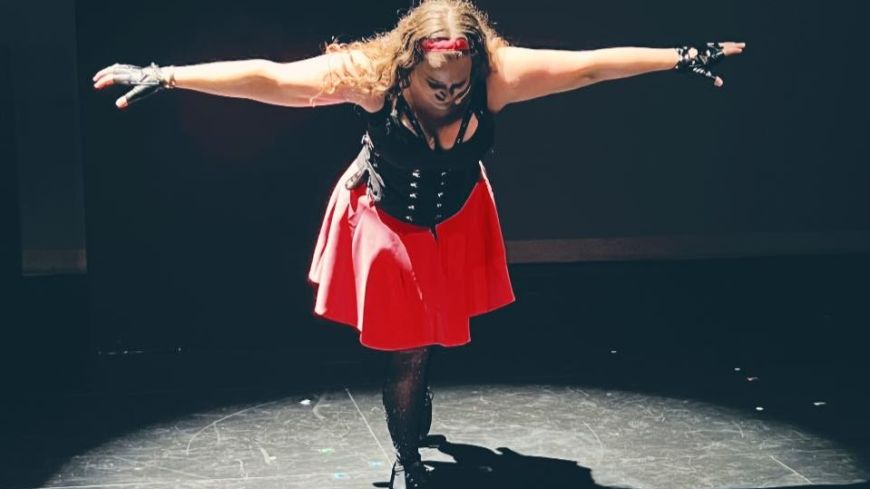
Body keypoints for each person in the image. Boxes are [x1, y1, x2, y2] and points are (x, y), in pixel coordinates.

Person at [92, 1, 745, 486]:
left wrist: (681, 57)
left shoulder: (499, 76)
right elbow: (273, 78)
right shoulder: (373, 75)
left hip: (456, 213)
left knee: (434, 336)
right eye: (437, 84)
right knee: (408, 348)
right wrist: (168, 73)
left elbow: (591, 69)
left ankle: (421, 408)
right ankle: (408, 454)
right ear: (408, 67)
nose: (451, 95)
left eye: (461, 83)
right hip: (384, 214)